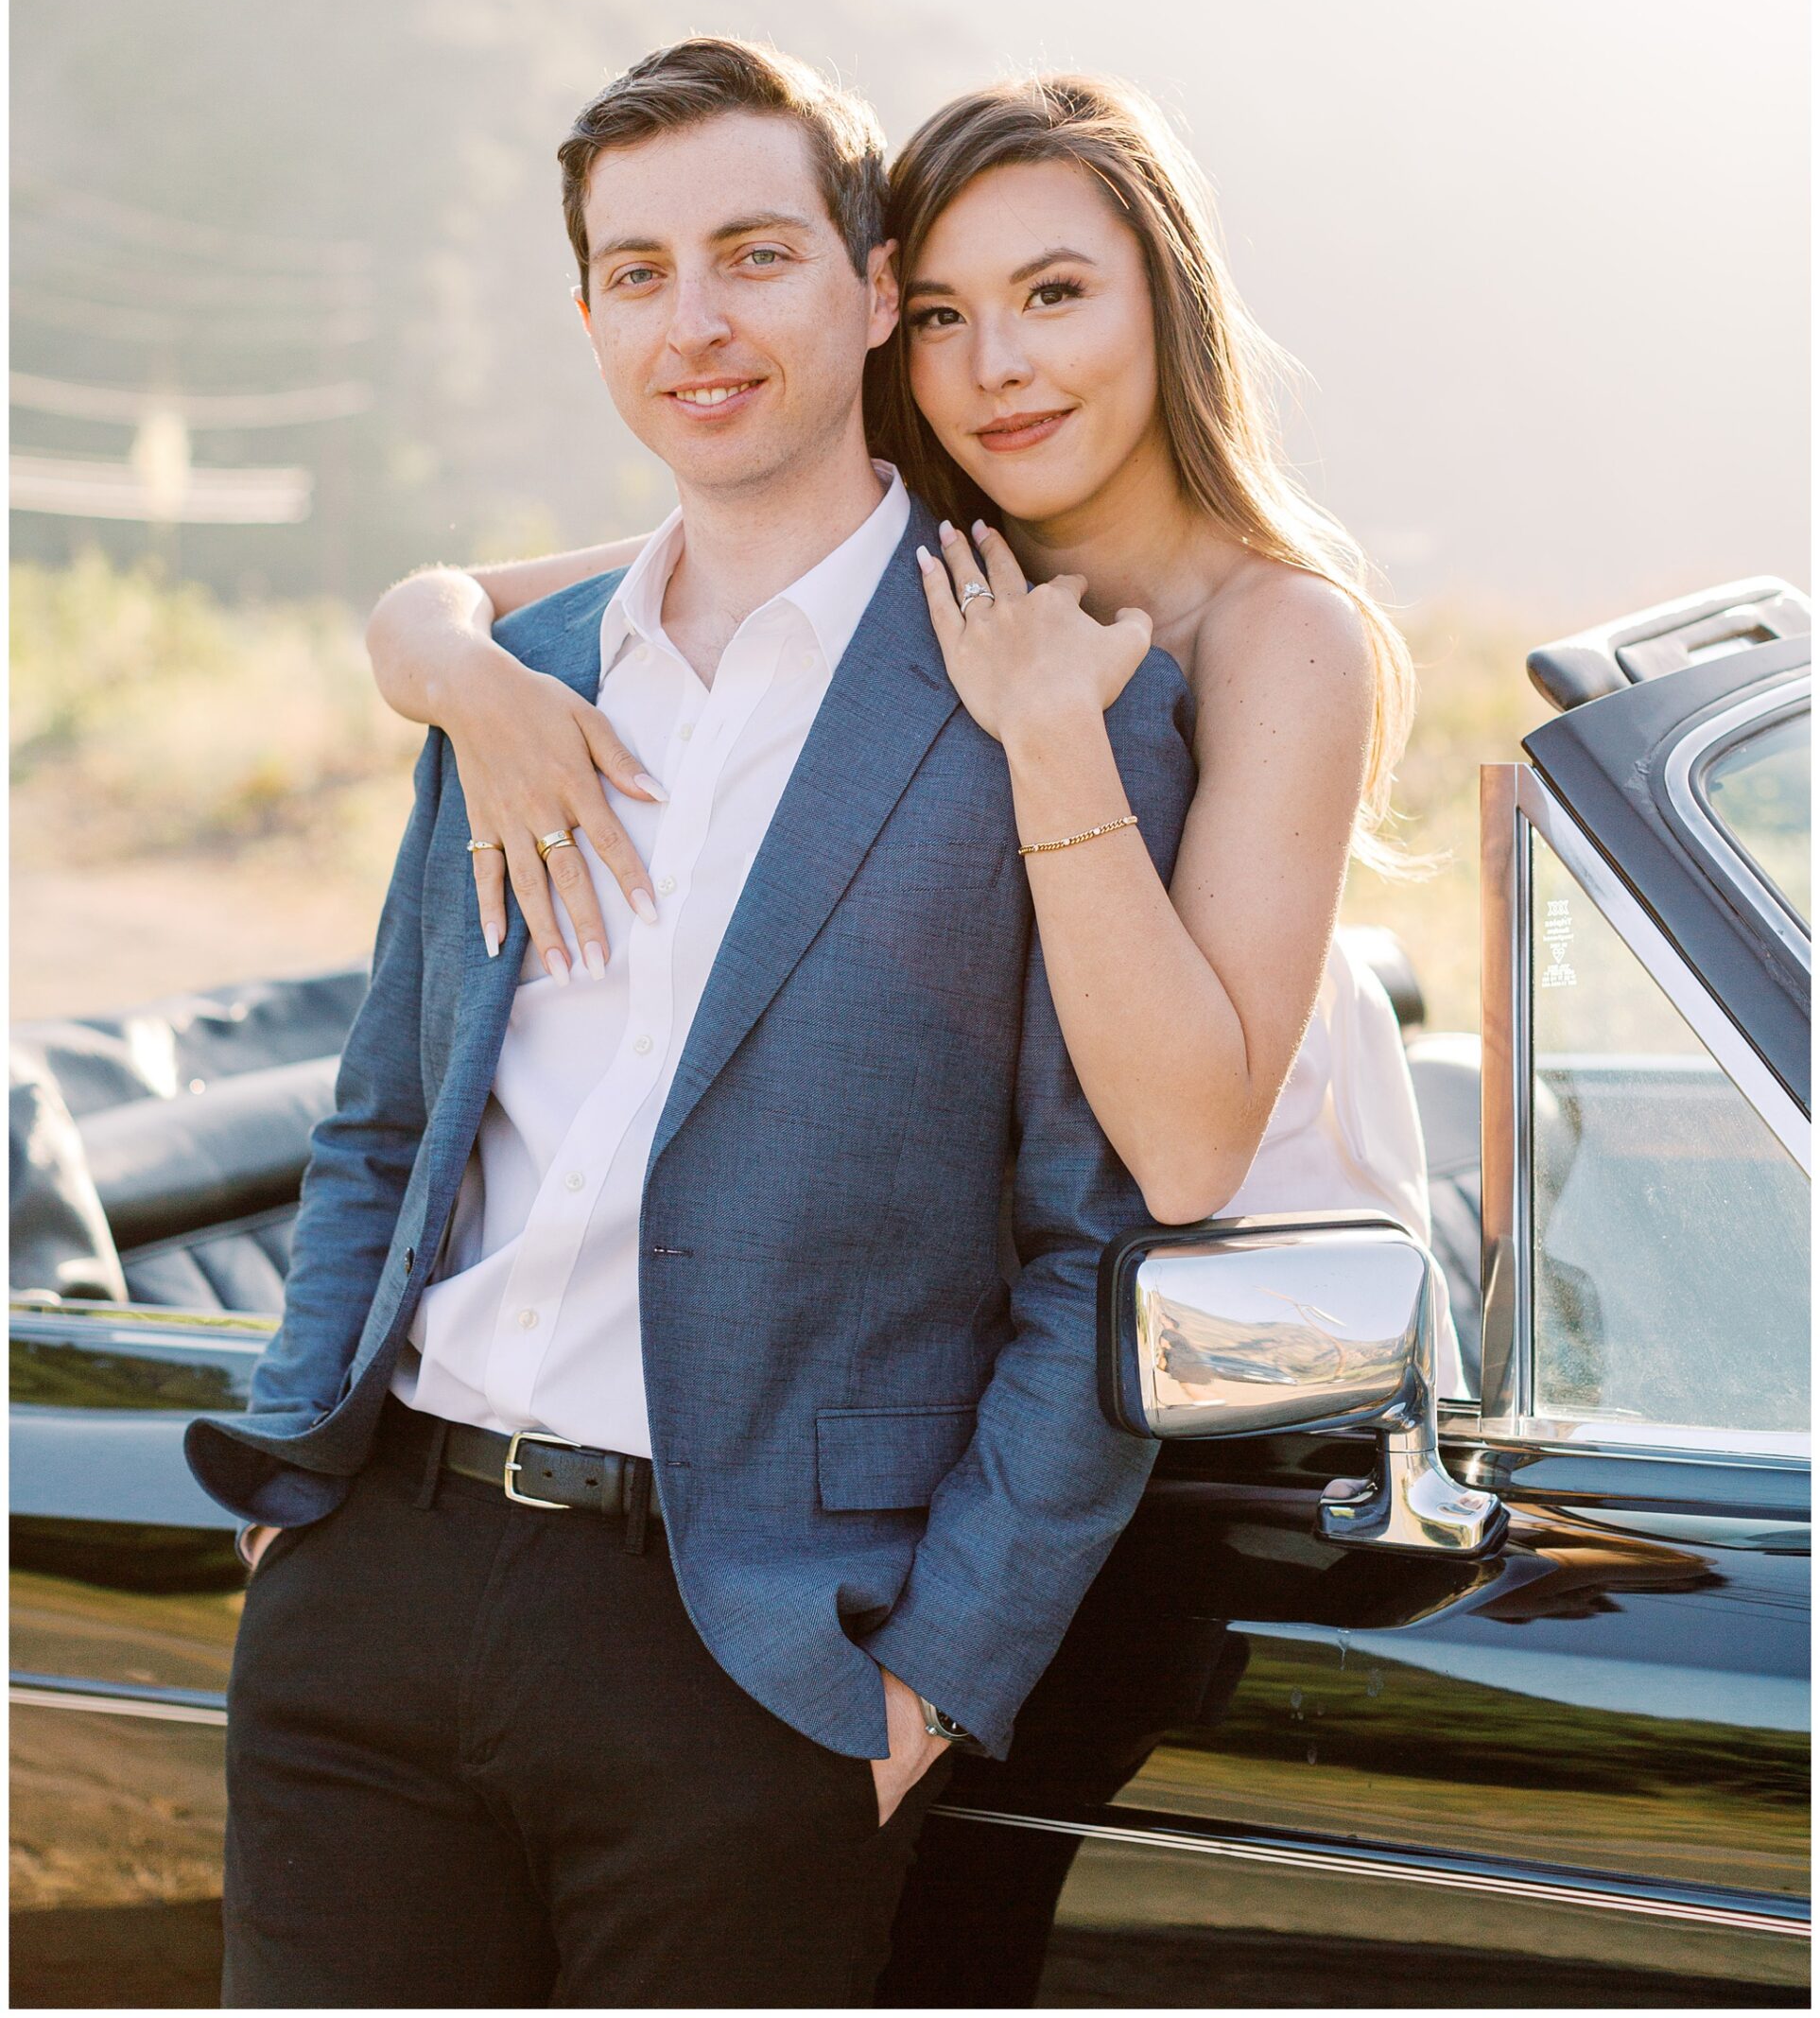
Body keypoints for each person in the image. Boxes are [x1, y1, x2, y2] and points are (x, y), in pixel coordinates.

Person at [184, 36, 1197, 2009]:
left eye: (753, 253)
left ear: (869, 285)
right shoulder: (519, 678)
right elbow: (383, 1119)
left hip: (753, 1665)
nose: (694, 321)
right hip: (373, 1602)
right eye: (635, 273)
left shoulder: (1050, 697)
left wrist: (933, 1678)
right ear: (586, 318)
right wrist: (303, 1496)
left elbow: (1097, 1250)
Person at [367, 71, 1464, 1390]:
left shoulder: (1276, 632)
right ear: (889, 316)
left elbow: (1185, 1159)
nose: (997, 366)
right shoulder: (916, 563)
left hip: (1253, 1369)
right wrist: (480, 697)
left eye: (1054, 294)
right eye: (944, 315)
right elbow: (446, 605)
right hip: (998, 1361)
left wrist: (1050, 730)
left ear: (1165, 300)